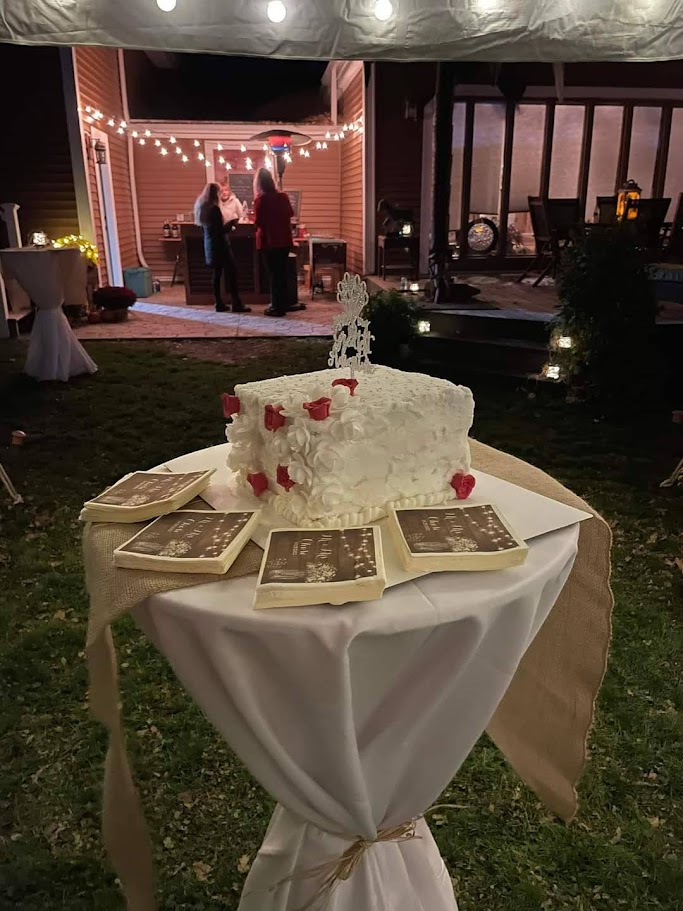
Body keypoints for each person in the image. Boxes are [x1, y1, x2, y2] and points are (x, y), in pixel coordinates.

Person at [194, 182, 250, 313]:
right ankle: (236, 303)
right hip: (221, 246)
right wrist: (231, 224)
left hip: (210, 245)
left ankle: (218, 303)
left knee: (217, 274)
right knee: (232, 272)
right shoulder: (214, 209)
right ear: (216, 193)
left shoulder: (203, 207)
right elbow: (220, 230)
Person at [253, 167, 295, 317]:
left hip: (268, 242)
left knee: (273, 276)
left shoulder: (260, 200)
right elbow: (290, 213)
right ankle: (283, 303)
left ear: (259, 183)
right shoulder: (283, 197)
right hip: (284, 241)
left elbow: (258, 222)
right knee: (282, 274)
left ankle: (277, 307)